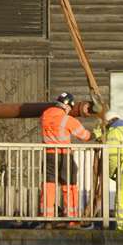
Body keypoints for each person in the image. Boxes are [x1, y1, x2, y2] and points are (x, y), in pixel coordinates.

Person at [39, 92, 91, 221]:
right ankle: (71, 218)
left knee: (48, 186)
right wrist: (94, 135)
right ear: (68, 106)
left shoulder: (45, 115)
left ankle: (46, 217)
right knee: (69, 186)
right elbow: (84, 136)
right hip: (64, 155)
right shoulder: (67, 119)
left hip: (48, 154)